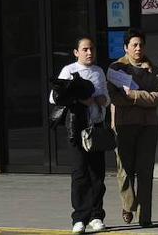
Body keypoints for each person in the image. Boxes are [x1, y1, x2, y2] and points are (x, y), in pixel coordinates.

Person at [51, 37, 110, 234]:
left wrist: (101, 100)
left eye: (92, 48)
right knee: (80, 173)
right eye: (85, 49)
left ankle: (96, 215)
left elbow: (105, 97)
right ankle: (79, 218)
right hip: (76, 128)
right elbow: (54, 97)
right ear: (76, 52)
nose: (89, 52)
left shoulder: (99, 71)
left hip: (96, 126)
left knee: (97, 173)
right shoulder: (69, 70)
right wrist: (77, 98)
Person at [107, 28, 158, 227]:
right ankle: (128, 204)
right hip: (125, 124)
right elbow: (116, 98)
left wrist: (135, 96)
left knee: (145, 170)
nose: (138, 48)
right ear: (126, 47)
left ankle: (145, 216)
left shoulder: (152, 68)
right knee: (125, 169)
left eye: (141, 44)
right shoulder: (116, 68)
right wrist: (140, 98)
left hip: (149, 126)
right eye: (134, 45)